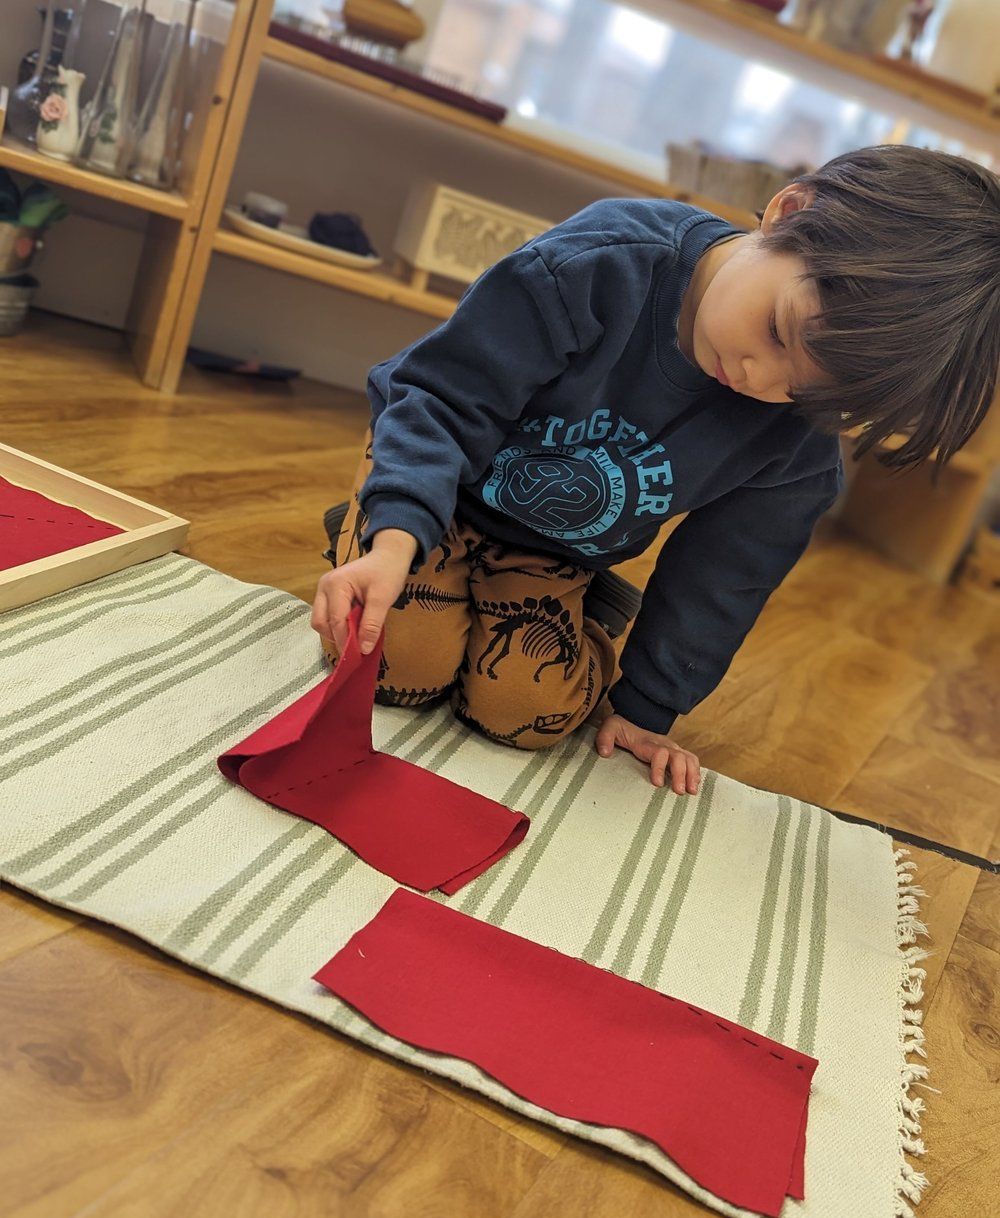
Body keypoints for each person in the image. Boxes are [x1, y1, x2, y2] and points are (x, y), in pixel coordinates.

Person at [312, 146, 1000, 792]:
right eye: (776, 332)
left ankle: (577, 603)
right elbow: (444, 396)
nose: (761, 380)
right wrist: (397, 538)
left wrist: (646, 708)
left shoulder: (799, 442)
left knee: (523, 712)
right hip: (438, 476)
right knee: (398, 662)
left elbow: (725, 576)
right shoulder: (603, 264)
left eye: (803, 389)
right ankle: (371, 524)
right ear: (789, 214)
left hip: (551, 551)